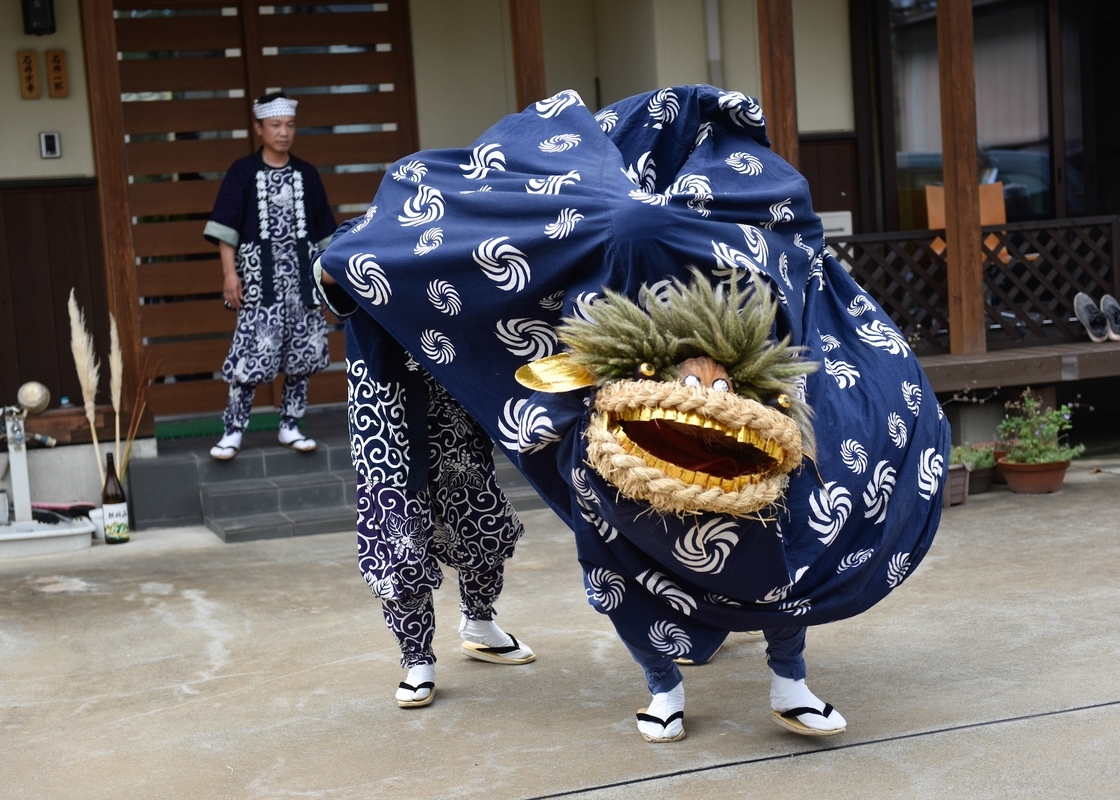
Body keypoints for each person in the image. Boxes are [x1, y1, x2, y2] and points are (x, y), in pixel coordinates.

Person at [315, 85, 948, 739]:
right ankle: (652, 684)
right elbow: (386, 266)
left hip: (722, 397)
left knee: (771, 526)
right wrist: (344, 267)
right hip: (592, 410)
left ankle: (788, 679)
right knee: (591, 543)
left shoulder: (685, 214)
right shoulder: (540, 221)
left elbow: (789, 251)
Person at [313, 226, 536, 709]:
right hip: (385, 408)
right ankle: (417, 658)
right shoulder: (361, 235)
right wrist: (378, 252)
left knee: (480, 516)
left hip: (450, 400)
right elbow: (329, 272)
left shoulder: (451, 231)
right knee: (401, 536)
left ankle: (478, 620)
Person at [202, 91, 337, 460]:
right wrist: (230, 275)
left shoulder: (307, 174)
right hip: (259, 283)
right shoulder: (242, 172)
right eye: (275, 125)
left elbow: (325, 231)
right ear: (259, 128)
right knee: (251, 356)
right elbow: (225, 230)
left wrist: (329, 276)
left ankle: (290, 425)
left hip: (303, 283)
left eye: (289, 125)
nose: (283, 132)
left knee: (303, 356)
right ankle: (232, 430)